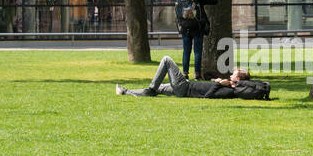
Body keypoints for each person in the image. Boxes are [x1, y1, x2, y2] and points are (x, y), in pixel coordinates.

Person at [116, 57, 270, 99]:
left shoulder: (230, 91)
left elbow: (208, 96)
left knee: (166, 60)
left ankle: (150, 88)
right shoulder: (229, 85)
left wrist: (218, 83)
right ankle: (126, 92)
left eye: (233, 74)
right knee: (159, 89)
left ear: (238, 79)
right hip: (186, 87)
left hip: (185, 88)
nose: (230, 75)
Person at [175, 0, 216, 79]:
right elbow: (214, 1)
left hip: (184, 27)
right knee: (197, 51)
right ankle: (197, 75)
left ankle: (185, 74)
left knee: (186, 51)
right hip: (197, 27)